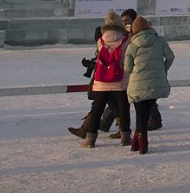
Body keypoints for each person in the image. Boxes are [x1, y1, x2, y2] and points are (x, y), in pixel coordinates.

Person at [68, 13, 132, 147]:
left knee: (97, 109)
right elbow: (127, 61)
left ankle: (90, 140)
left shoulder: (101, 40)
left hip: (102, 81)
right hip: (120, 80)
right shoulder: (126, 40)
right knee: (123, 108)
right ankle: (125, 138)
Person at [123, 16, 175, 154]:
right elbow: (170, 57)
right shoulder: (159, 41)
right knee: (145, 113)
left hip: (137, 84)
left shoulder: (132, 45)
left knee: (140, 114)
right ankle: (137, 142)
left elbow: (127, 68)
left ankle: (143, 144)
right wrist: (163, 69)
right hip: (155, 82)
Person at [120, 8, 162, 131]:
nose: (125, 23)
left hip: (141, 68)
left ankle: (153, 121)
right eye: (123, 21)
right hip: (135, 68)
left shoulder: (143, 32)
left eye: (127, 20)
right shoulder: (125, 33)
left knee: (144, 96)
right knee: (144, 96)